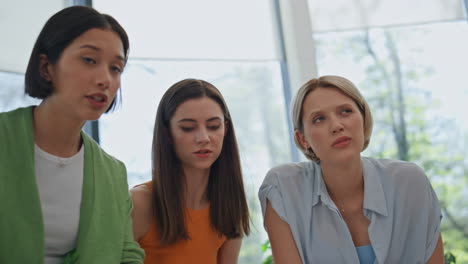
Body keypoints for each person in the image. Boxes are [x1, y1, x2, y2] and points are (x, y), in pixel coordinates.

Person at [0, 6, 144, 264]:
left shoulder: (113, 173)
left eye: (116, 68)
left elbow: (127, 254)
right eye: (89, 60)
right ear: (46, 67)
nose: (105, 80)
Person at [258, 75, 444, 263]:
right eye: (319, 119)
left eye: (346, 111)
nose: (337, 126)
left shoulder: (410, 182)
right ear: (302, 139)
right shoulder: (283, 189)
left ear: (363, 118)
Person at [131, 79, 250, 264]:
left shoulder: (229, 205)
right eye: (188, 128)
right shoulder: (139, 204)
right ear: (168, 133)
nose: (204, 138)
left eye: (213, 126)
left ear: (226, 129)